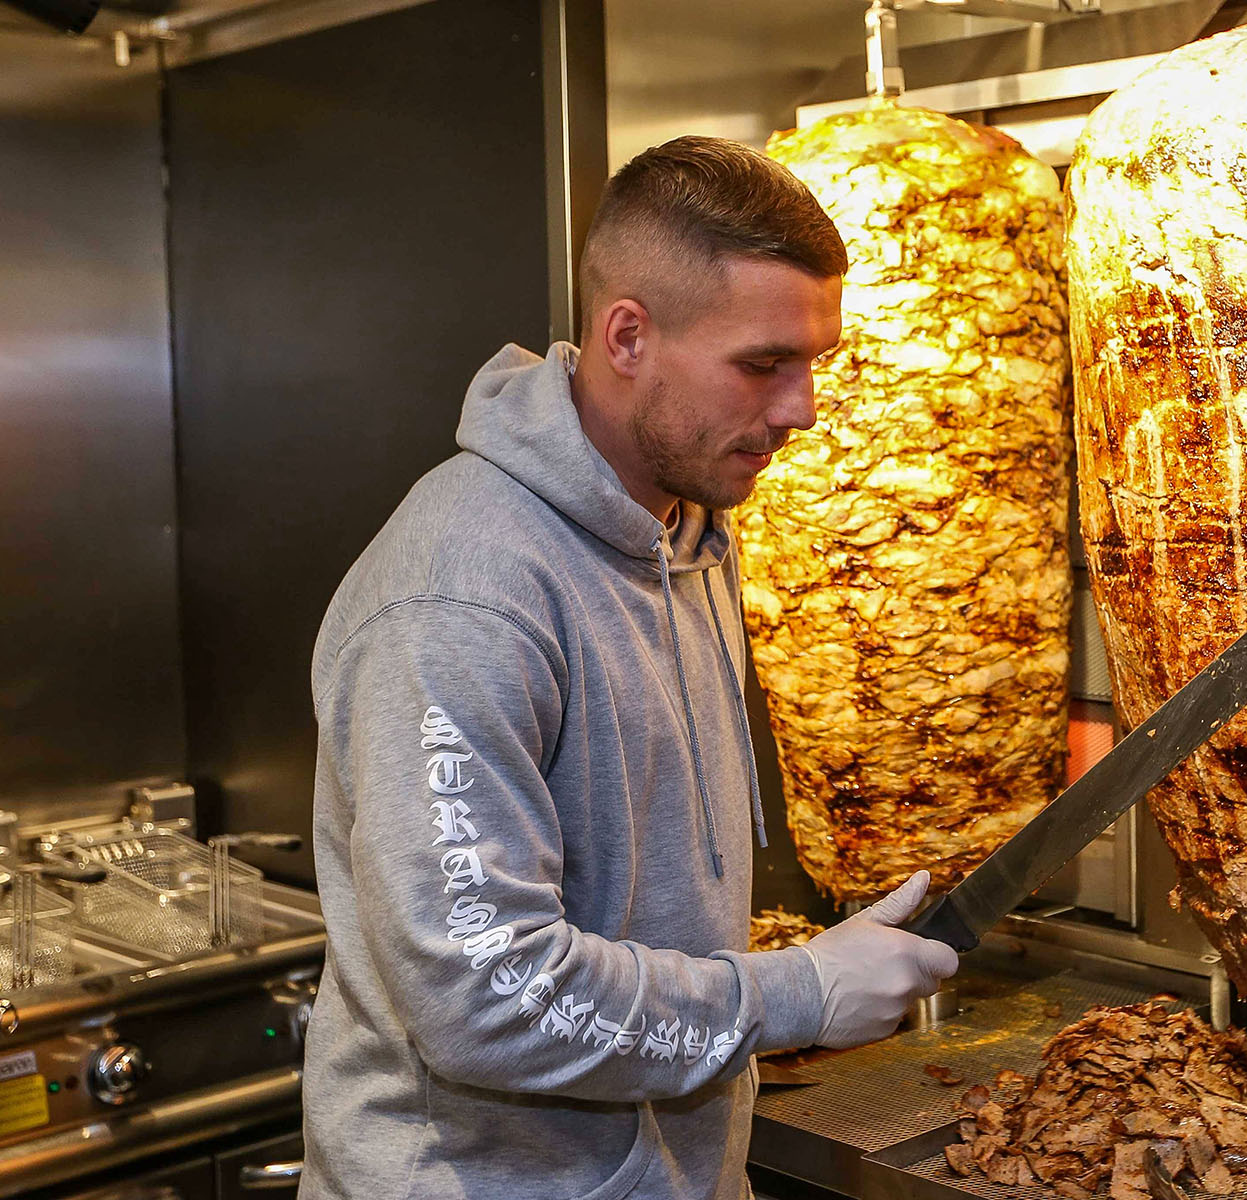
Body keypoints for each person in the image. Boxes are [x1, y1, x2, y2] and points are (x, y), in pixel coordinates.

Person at [300, 136, 962, 1199]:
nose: (800, 412)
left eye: (813, 366)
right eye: (762, 365)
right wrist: (790, 994)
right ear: (626, 336)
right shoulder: (461, 595)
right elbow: (487, 994)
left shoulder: (688, 529)